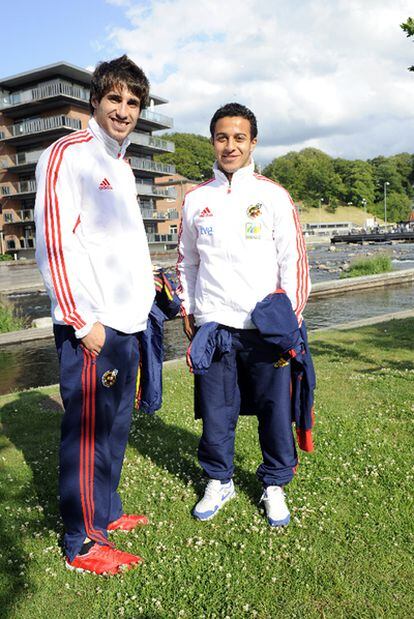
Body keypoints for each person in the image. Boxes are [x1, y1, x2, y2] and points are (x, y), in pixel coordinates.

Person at [35, 55, 155, 575]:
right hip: (94, 326)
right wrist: (82, 322)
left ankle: (106, 512)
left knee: (115, 427)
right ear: (96, 99)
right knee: (86, 434)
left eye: (133, 102)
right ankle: (81, 542)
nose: (124, 110)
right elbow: (54, 245)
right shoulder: (69, 154)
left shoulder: (122, 166)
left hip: (129, 324)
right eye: (115, 98)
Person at [177, 102, 312, 527]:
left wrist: (288, 318)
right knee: (217, 411)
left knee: (275, 410)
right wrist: (190, 309)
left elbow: (294, 262)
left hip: (265, 327)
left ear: (253, 142)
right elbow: (187, 262)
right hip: (216, 325)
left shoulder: (273, 195)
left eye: (239, 137)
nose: (230, 145)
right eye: (222, 137)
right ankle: (220, 479)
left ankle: (274, 483)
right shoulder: (196, 199)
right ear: (213, 142)